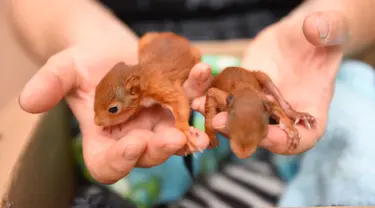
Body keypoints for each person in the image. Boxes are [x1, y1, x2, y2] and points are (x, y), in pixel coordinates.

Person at [7, 0, 375, 206]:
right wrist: (85, 32)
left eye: (114, 110)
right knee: (128, 161)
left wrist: (333, 18)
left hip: (288, 58)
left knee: (360, 111)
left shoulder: (259, 95)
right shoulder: (136, 84)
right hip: (129, 49)